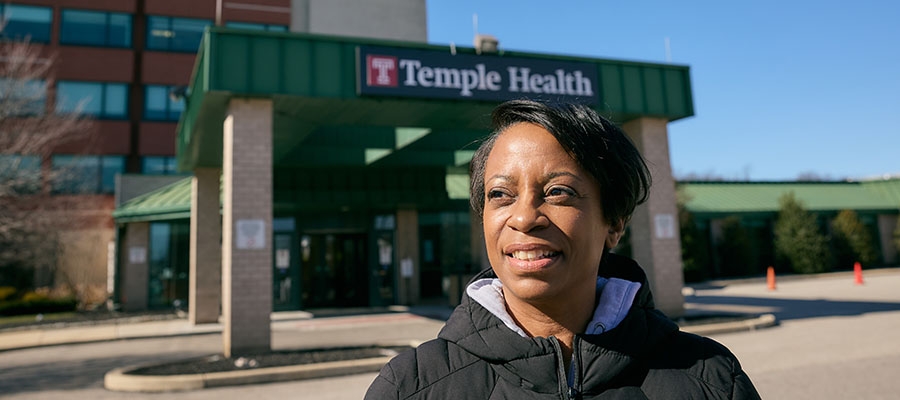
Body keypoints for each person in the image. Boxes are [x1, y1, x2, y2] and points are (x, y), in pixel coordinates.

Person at [365, 99, 760, 399]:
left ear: (614, 223)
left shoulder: (712, 381)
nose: (524, 217)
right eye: (500, 194)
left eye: (558, 192)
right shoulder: (410, 387)